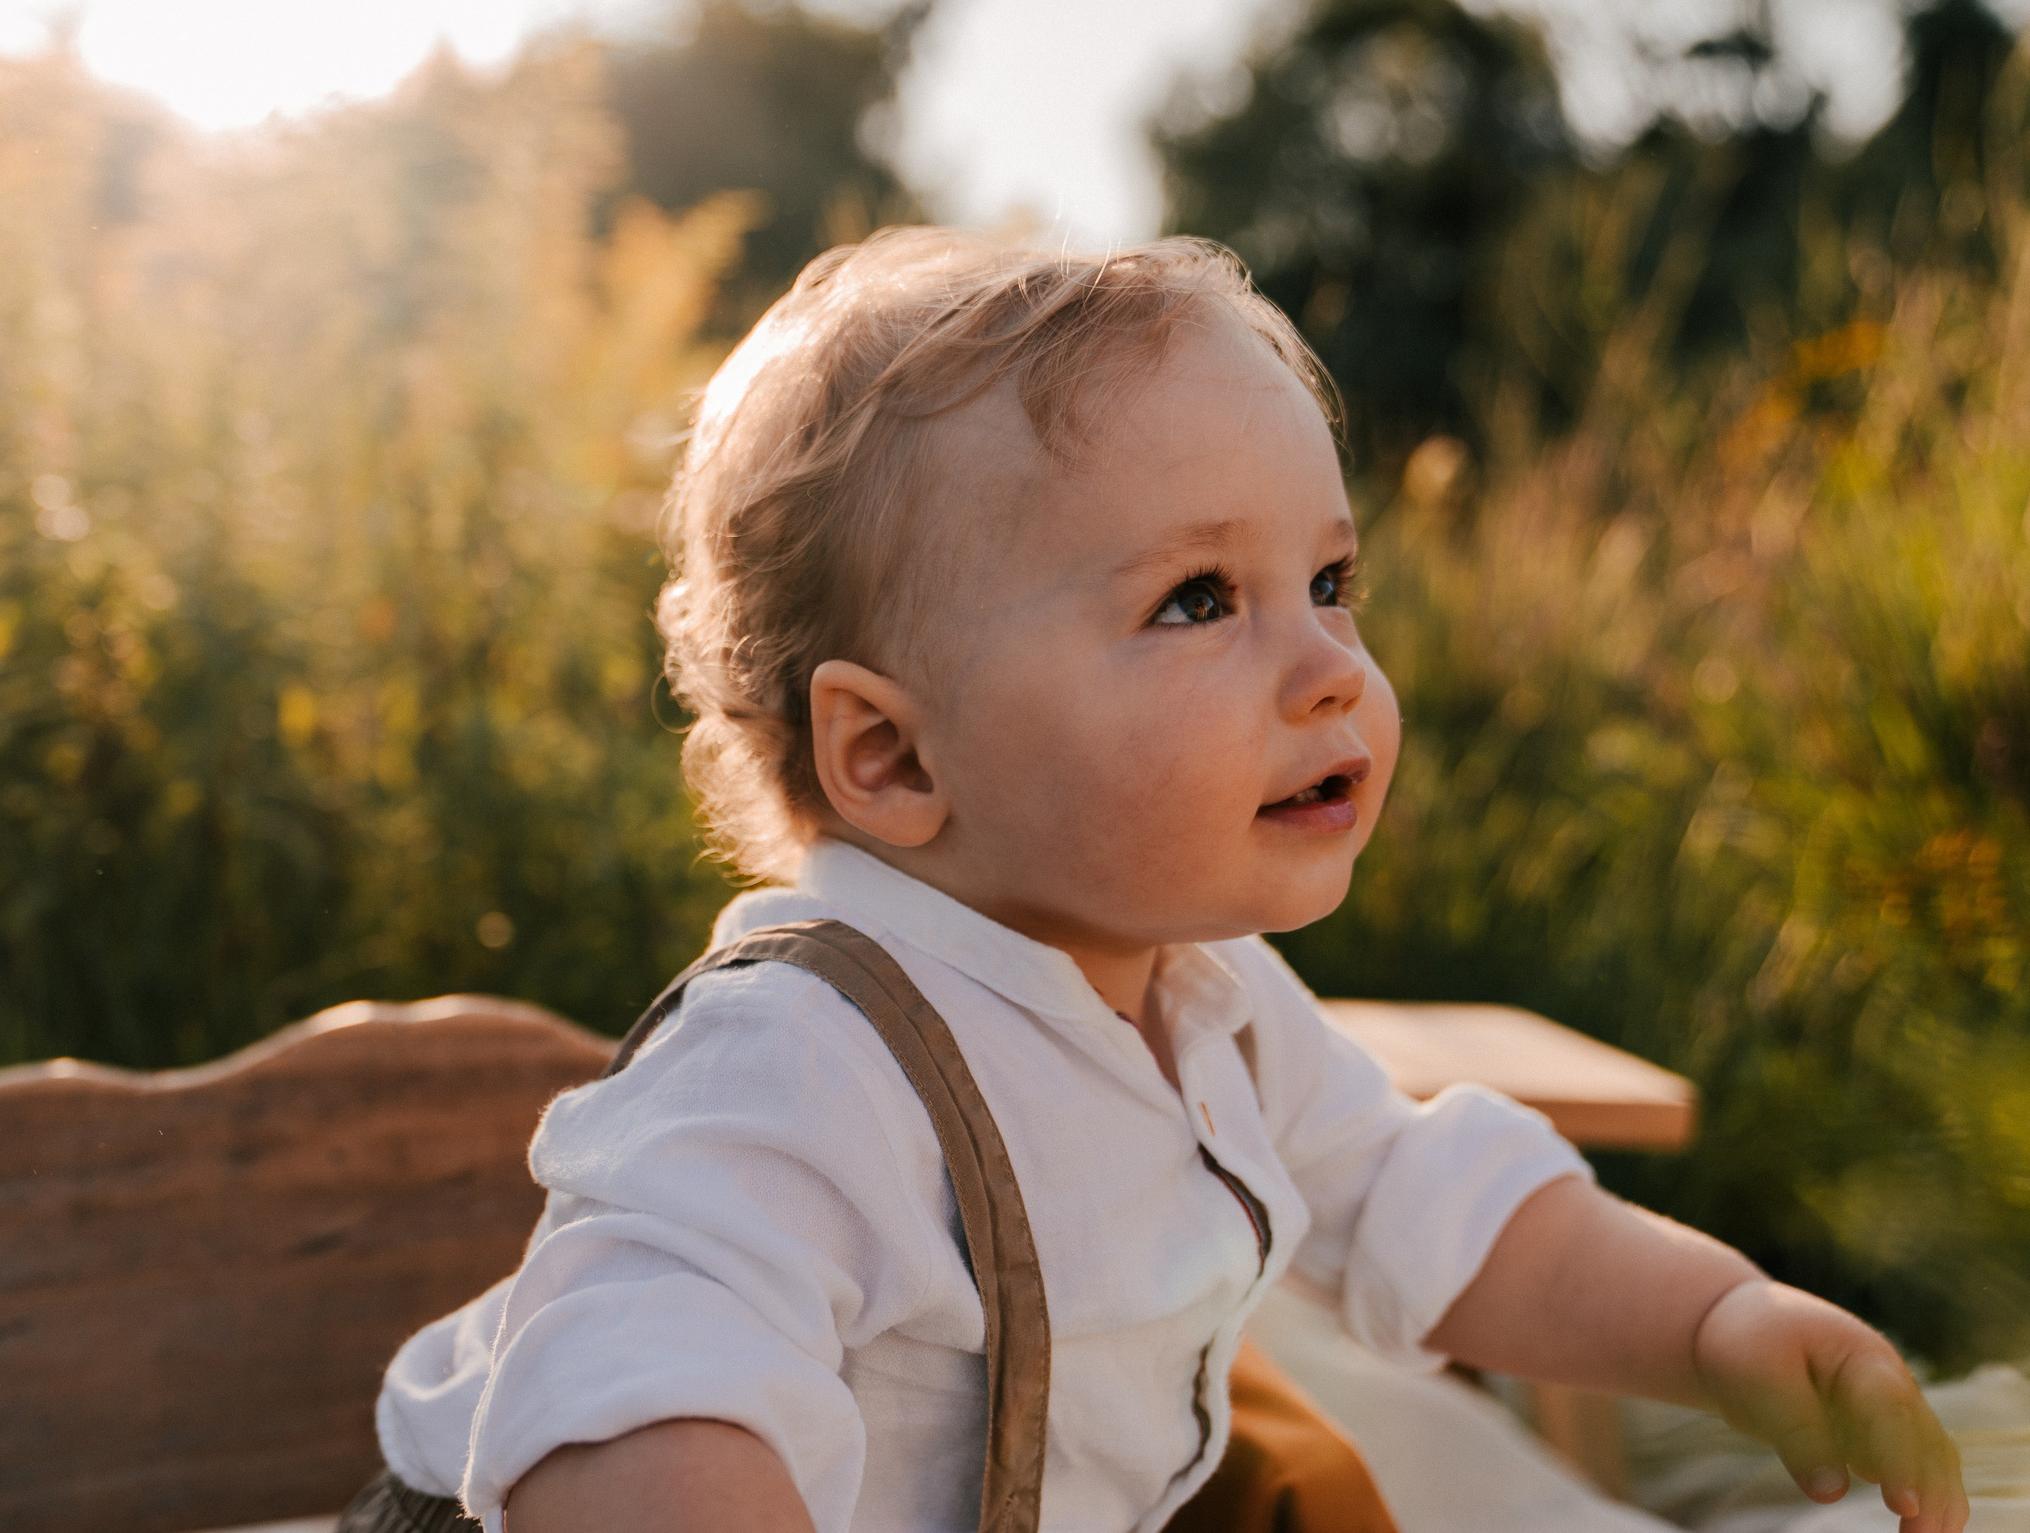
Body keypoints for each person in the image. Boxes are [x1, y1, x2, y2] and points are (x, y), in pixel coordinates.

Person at [356, 230, 1967, 1533]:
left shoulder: (1204, 992)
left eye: (1328, 581)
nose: (1331, 665)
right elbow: (630, 1392)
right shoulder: (805, 1058)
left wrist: (1709, 1325)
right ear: (896, 760)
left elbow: (1429, 1209)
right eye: (1201, 598)